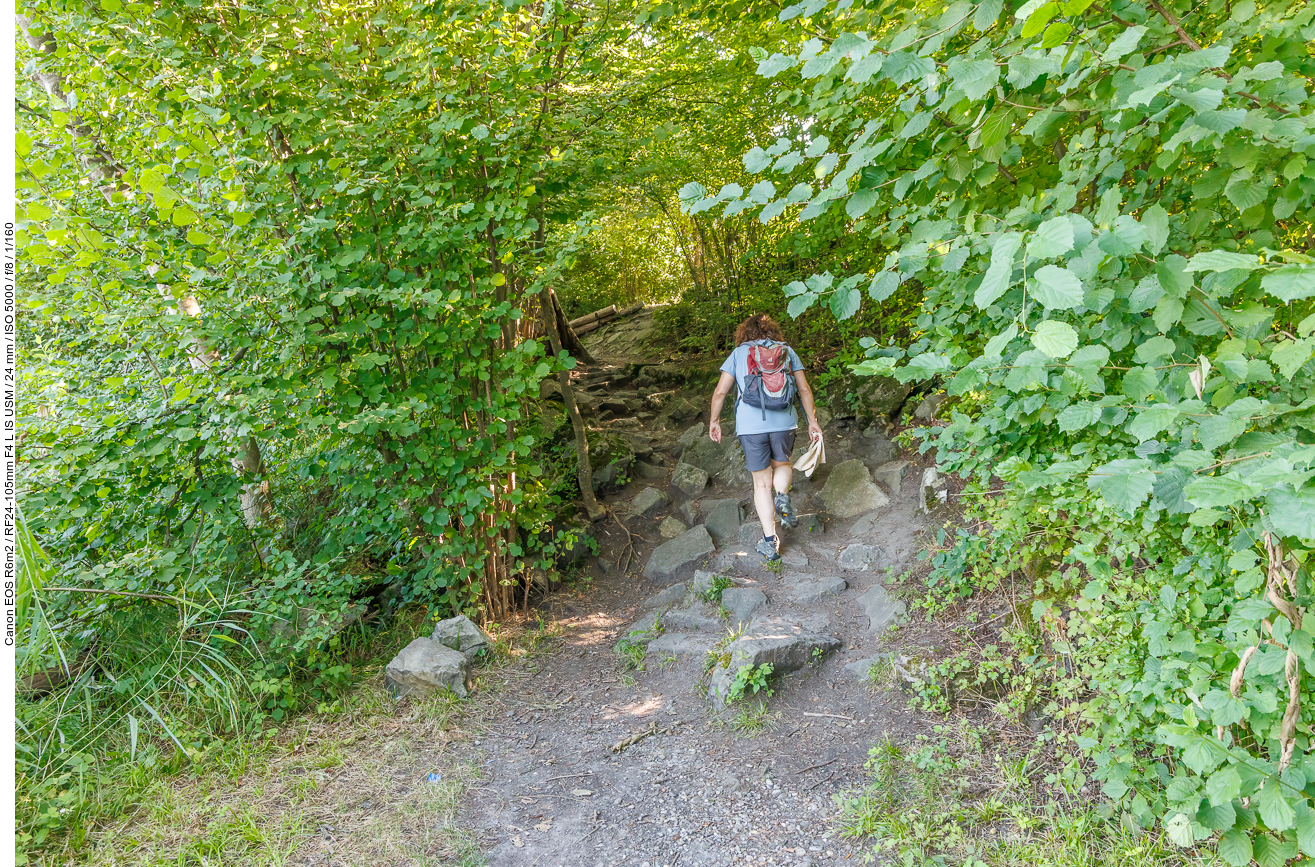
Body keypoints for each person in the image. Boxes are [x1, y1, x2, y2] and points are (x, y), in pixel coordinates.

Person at [708, 314, 822, 562]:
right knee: (782, 465)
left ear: (744, 333)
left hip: (750, 425)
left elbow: (720, 392)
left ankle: (770, 542)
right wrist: (813, 422)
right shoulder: (787, 351)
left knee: (760, 484)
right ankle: (781, 494)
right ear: (772, 331)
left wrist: (714, 421)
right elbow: (804, 389)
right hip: (784, 422)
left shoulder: (739, 354)